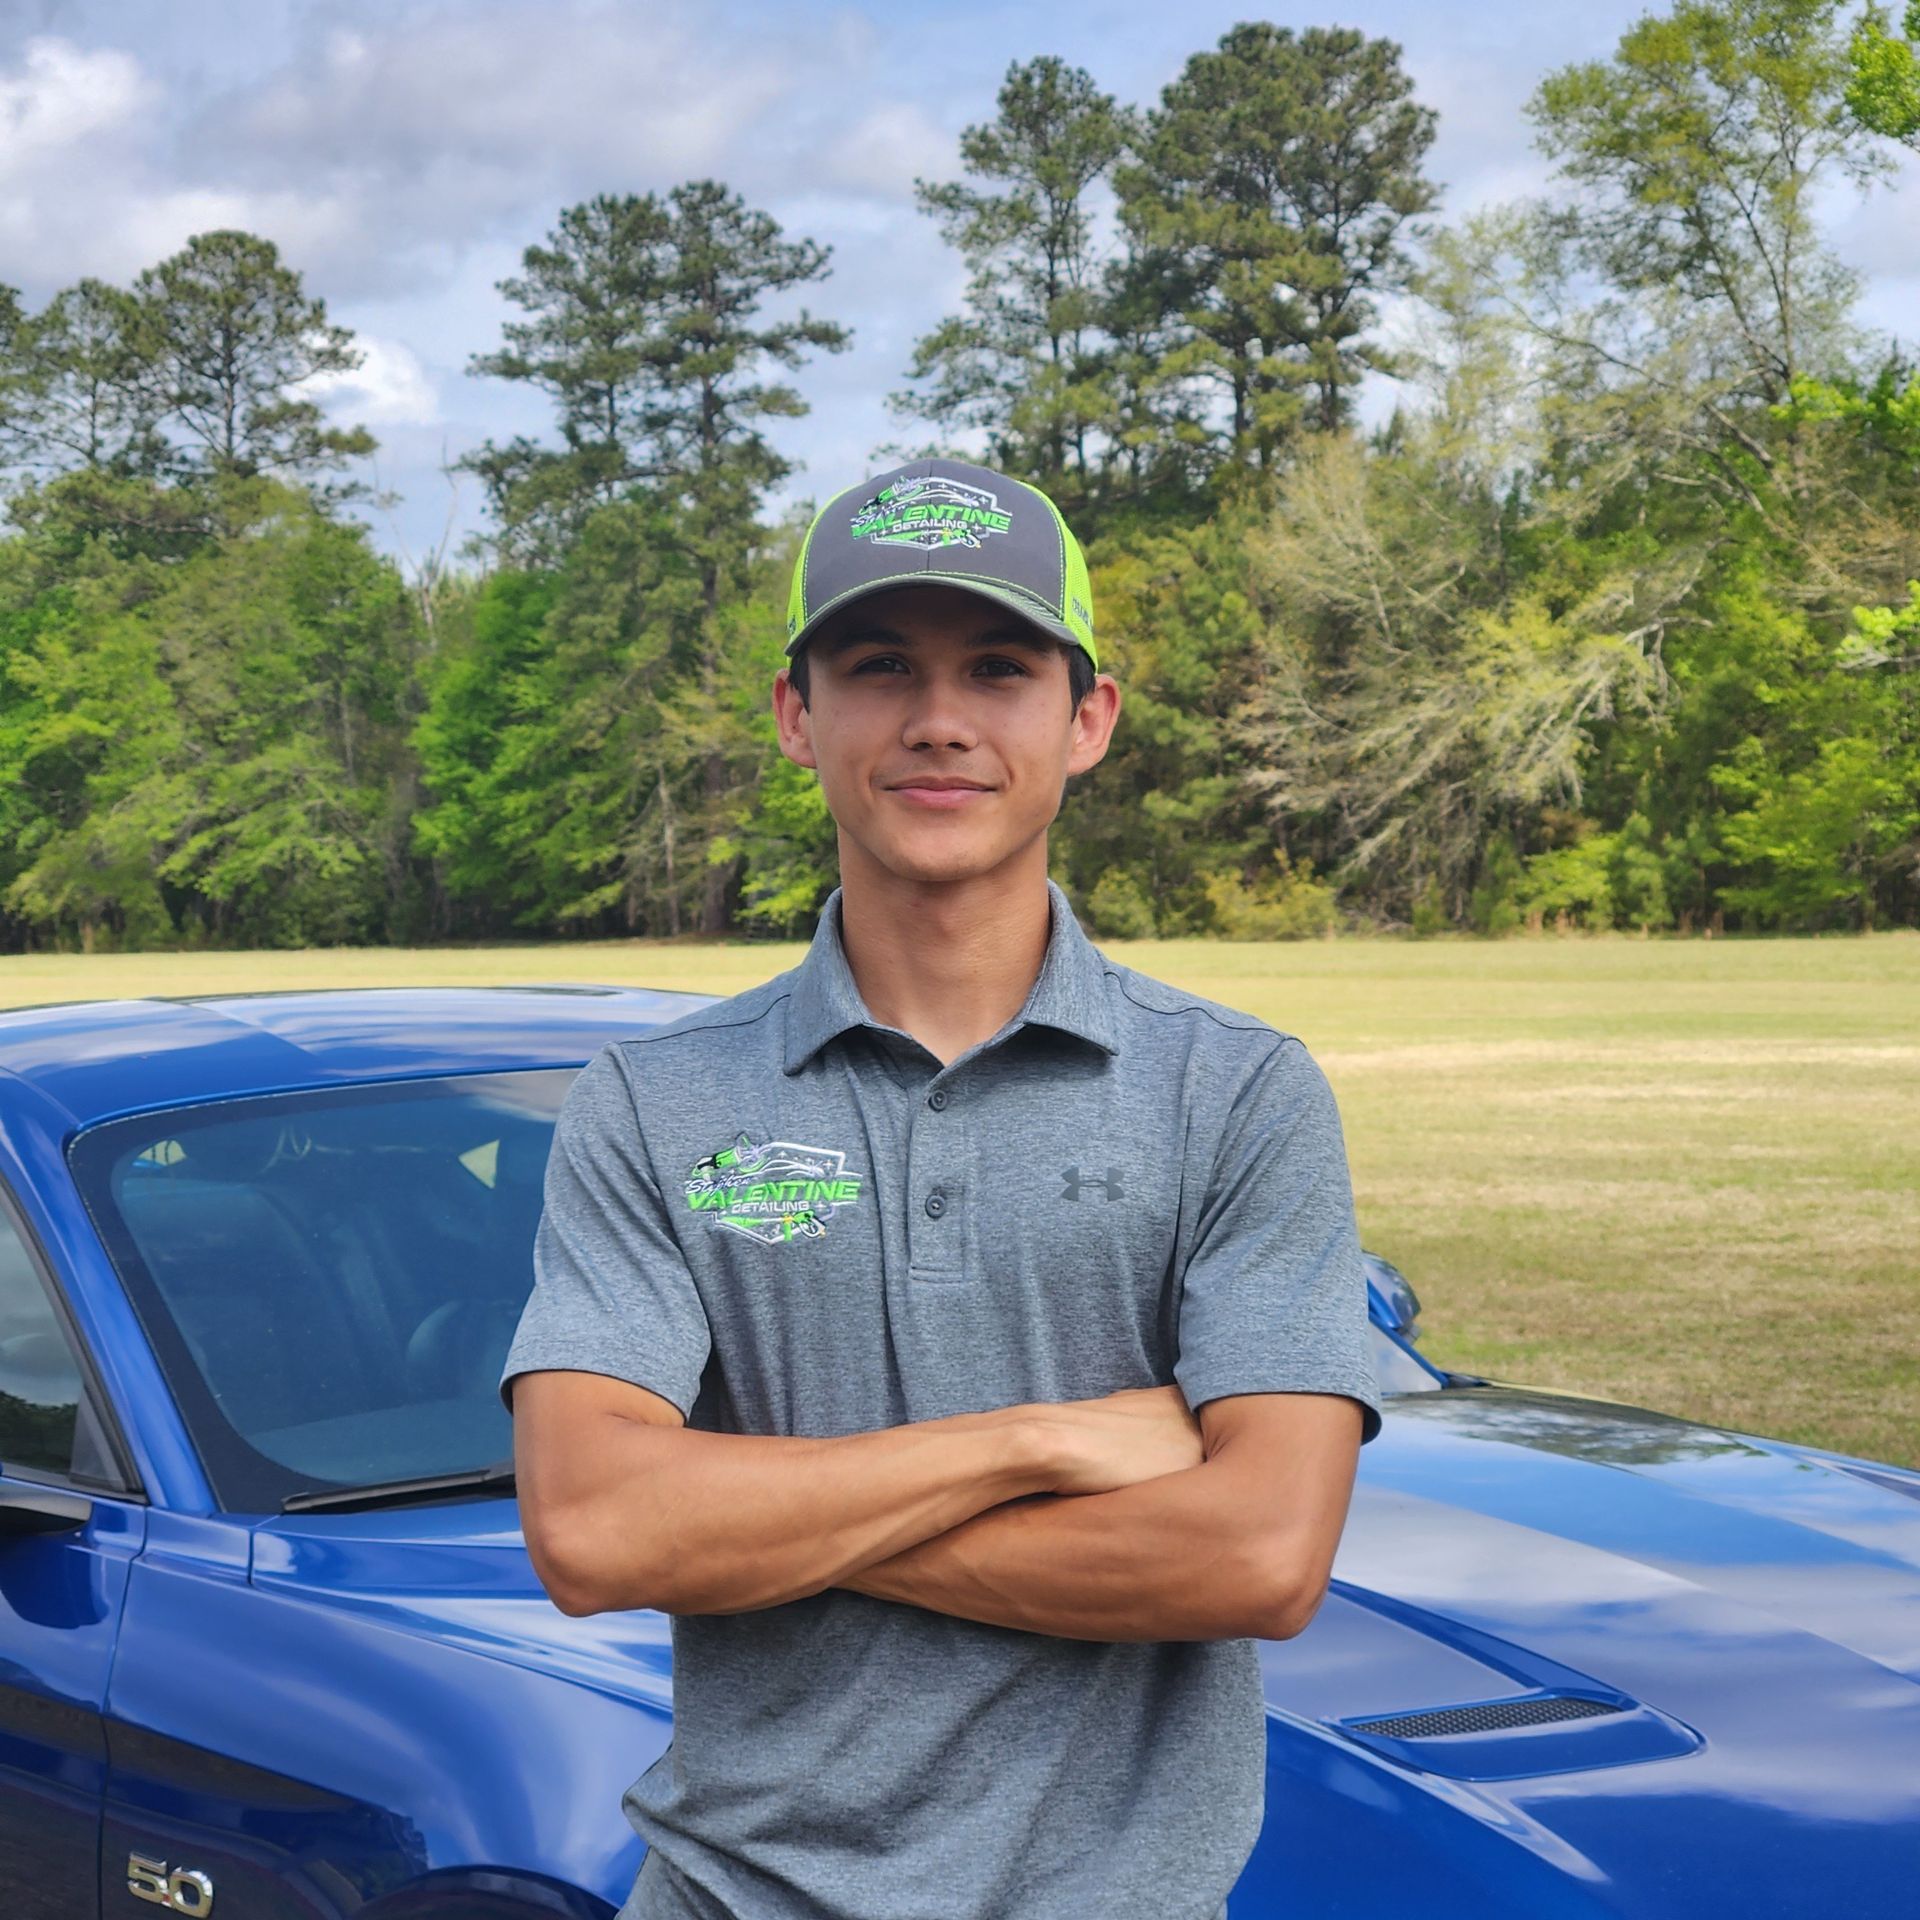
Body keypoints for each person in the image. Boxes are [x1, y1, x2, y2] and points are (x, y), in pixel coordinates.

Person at [499, 455, 1386, 1920]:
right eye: (878, 666)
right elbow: (596, 1534)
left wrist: (753, 1530)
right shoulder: (653, 1103)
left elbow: (1261, 1554)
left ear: (1086, 718)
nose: (938, 721)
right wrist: (1039, 1440)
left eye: (996, 666)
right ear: (798, 714)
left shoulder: (1235, 1091)